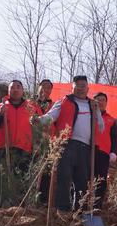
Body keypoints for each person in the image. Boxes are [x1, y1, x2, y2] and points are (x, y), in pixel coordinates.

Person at [35, 75, 104, 212]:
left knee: (82, 181)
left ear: (88, 88)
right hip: (66, 144)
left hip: (86, 148)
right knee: (64, 177)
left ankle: (80, 211)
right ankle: (62, 209)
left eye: (83, 86)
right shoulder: (63, 101)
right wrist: (39, 120)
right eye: (77, 86)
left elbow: (101, 126)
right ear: (72, 87)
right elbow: (51, 116)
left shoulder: (92, 104)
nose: (80, 89)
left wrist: (98, 114)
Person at [0, 80, 42, 205]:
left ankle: (19, 208)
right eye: (12, 87)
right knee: (1, 179)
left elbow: (40, 126)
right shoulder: (0, 106)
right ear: (8, 90)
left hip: (24, 149)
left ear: (22, 90)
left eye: (18, 87)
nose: (15, 90)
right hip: (4, 148)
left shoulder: (32, 107)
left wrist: (38, 143)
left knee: (22, 180)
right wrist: (0, 114)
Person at [94, 92, 117, 210]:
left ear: (106, 103)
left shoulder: (111, 120)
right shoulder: (89, 116)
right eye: (98, 100)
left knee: (101, 179)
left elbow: (114, 138)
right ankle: (80, 204)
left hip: (103, 152)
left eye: (103, 100)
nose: (101, 102)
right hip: (89, 150)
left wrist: (113, 152)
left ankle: (97, 206)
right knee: (84, 177)